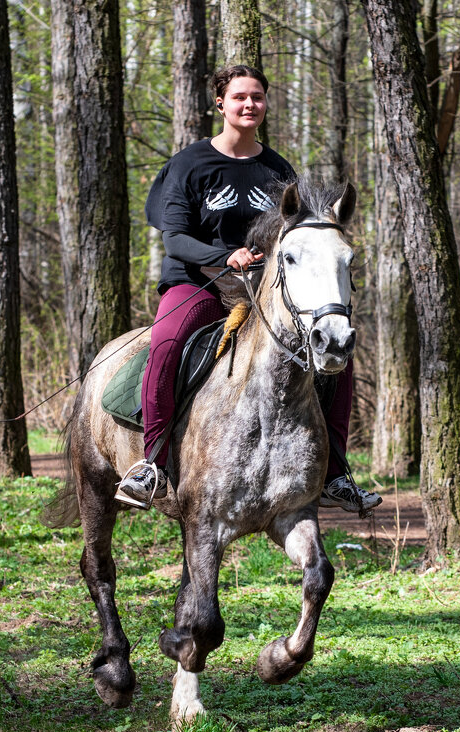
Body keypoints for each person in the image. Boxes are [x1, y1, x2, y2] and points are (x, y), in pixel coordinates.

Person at [115, 65, 381, 516]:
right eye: (239, 97)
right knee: (166, 343)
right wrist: (225, 257)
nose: (249, 105)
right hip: (197, 282)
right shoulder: (189, 164)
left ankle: (336, 474)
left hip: (262, 293)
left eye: (257, 97)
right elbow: (175, 238)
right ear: (221, 104)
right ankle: (151, 463)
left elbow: (295, 236)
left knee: (337, 359)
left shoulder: (277, 170)